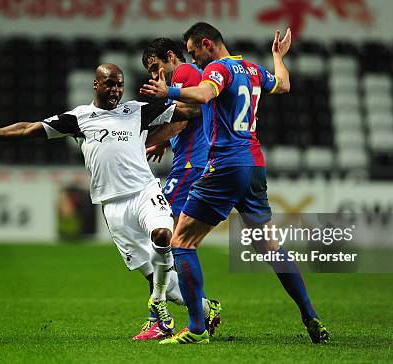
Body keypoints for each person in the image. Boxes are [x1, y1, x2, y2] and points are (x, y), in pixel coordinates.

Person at [0, 63, 206, 340]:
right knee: (165, 282)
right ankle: (204, 308)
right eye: (109, 84)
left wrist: (196, 101)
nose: (116, 90)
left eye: (119, 84)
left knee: (162, 233)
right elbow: (29, 129)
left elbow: (190, 113)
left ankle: (157, 307)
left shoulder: (136, 110)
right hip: (113, 206)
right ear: (96, 85)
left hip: (144, 191)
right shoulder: (79, 118)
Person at [141, 23, 329, 344]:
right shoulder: (253, 69)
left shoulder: (217, 68)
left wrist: (168, 92)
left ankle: (197, 328)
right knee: (269, 247)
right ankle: (310, 314)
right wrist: (277, 56)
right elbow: (283, 85)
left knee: (181, 242)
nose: (194, 60)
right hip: (254, 165)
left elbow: (203, 94)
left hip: (225, 165)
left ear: (207, 44)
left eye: (194, 52)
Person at [139, 37, 222, 340]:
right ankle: (197, 311)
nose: (154, 75)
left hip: (190, 169)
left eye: (155, 66)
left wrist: (145, 143)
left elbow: (184, 119)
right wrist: (164, 141)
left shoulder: (184, 74)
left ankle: (161, 319)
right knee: (174, 244)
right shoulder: (187, 80)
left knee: (160, 239)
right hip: (191, 166)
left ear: (170, 56)